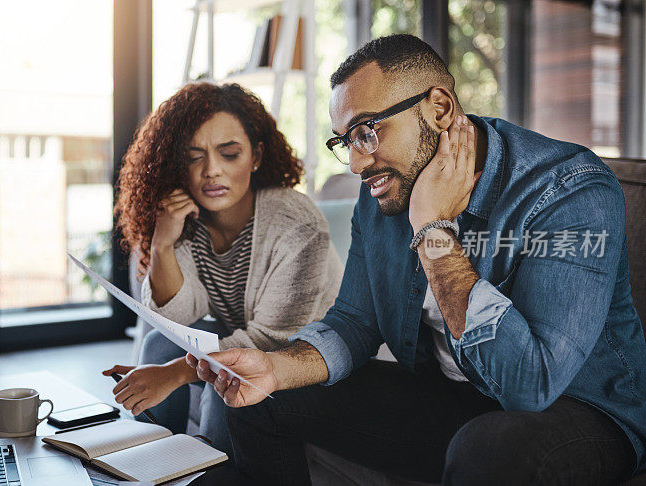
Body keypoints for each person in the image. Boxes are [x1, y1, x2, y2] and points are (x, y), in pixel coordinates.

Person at [189, 34, 646, 485]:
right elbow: (355, 322)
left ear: (440, 108)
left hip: (581, 412)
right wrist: (275, 368)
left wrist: (433, 231)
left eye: (368, 131)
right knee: (261, 400)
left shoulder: (570, 190)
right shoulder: (386, 189)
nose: (356, 164)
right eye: (346, 141)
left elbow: (531, 385)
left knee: (489, 447)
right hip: (455, 395)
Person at [106, 82, 343, 456]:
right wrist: (162, 242)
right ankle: (153, 463)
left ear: (256, 156)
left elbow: (275, 339)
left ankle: (215, 473)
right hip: (249, 343)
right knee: (158, 342)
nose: (211, 170)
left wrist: (171, 374)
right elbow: (176, 318)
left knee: (227, 387)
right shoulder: (188, 219)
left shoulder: (296, 223)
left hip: (310, 360)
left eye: (229, 153)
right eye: (194, 156)